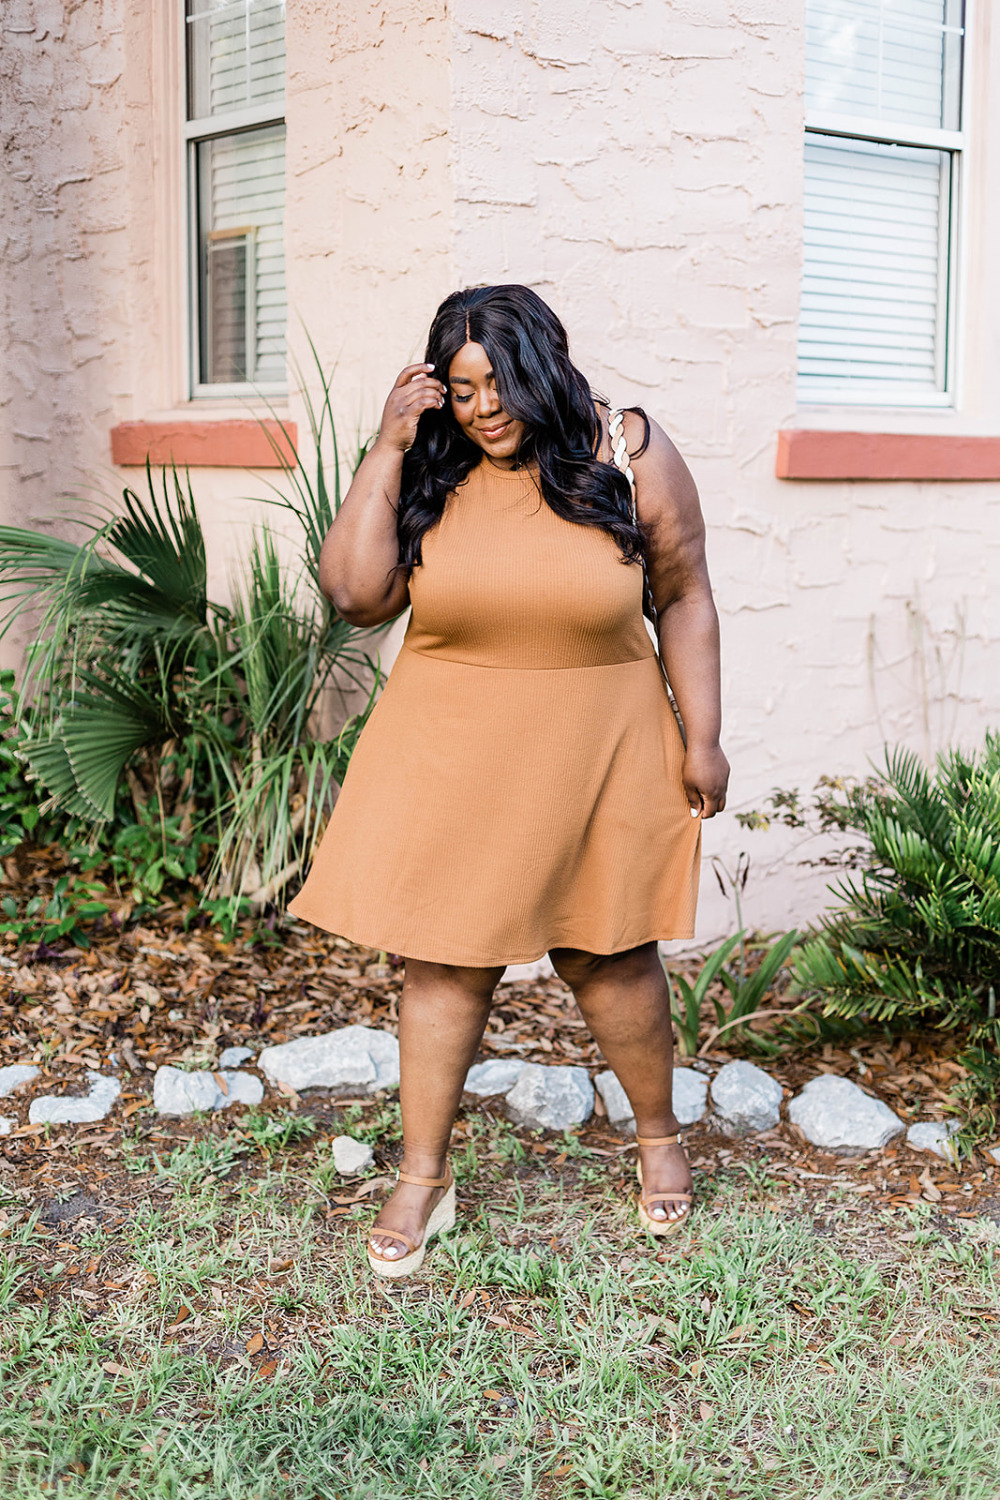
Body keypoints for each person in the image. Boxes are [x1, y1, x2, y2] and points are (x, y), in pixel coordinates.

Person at [289, 284, 729, 1277]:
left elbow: (687, 596)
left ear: (542, 366)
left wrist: (703, 738)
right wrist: (390, 443)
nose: (481, 407)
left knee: (610, 957)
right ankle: (423, 1176)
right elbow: (355, 596)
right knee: (444, 962)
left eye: (498, 383)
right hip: (454, 752)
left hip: (601, 746)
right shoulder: (432, 469)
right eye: (459, 387)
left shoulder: (625, 452)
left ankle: (658, 1138)